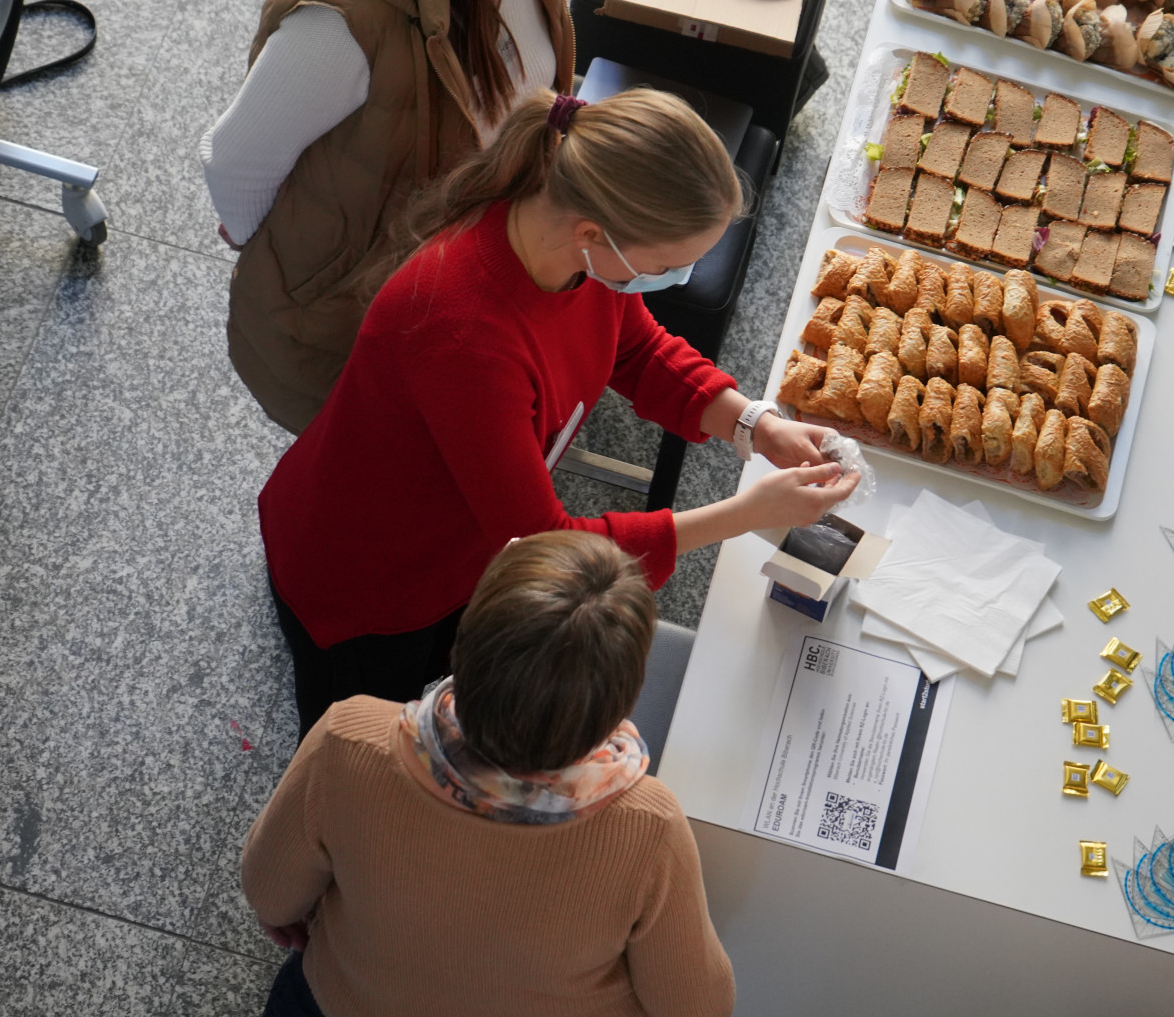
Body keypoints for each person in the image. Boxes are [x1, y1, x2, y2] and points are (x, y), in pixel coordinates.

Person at [259, 86, 857, 736]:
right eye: (668, 264)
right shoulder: (461, 332)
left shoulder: (572, 254)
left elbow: (638, 349)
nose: (677, 278)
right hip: (372, 576)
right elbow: (545, 541)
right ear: (594, 234)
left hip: (466, 544)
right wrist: (744, 515)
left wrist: (754, 424)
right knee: (374, 743)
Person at [203, 0, 614, 432]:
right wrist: (280, 250)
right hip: (352, 305)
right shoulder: (343, 20)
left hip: (454, 262)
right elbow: (236, 158)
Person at [242, 530, 736, 1017]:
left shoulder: (348, 738)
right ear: (622, 702)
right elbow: (698, 1006)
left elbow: (269, 891)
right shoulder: (650, 828)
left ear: (464, 636)